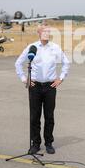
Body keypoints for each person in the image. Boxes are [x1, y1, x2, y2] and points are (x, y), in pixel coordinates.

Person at [15, 24, 70, 154]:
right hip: (35, 87)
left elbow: (66, 63)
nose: (47, 33)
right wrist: (25, 79)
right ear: (39, 33)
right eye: (44, 31)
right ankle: (35, 143)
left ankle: (49, 142)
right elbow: (18, 63)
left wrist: (60, 78)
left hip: (50, 86)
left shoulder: (55, 48)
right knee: (35, 116)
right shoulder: (32, 47)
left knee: (49, 116)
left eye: (49, 31)